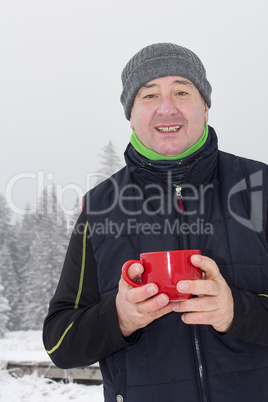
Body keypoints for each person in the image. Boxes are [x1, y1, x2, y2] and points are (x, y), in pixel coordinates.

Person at [43, 43, 268, 401]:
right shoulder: (100, 207)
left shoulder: (259, 186)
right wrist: (120, 317)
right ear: (131, 115)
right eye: (149, 95)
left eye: (181, 91)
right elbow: (59, 342)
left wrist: (236, 311)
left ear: (205, 106)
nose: (167, 108)